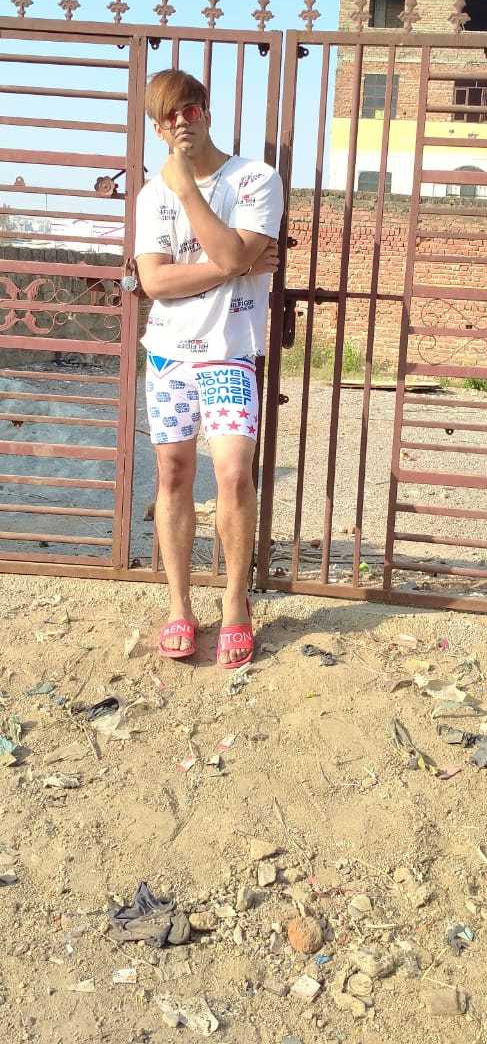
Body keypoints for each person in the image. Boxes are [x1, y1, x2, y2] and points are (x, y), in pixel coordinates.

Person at [134, 69, 283, 668]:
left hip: (229, 351)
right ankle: (179, 605)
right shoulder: (152, 195)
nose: (180, 123)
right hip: (168, 354)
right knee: (173, 473)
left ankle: (235, 602)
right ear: (158, 127)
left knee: (233, 472)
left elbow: (226, 249)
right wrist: (236, 264)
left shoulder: (255, 179)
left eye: (189, 110)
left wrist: (190, 194)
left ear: (206, 113)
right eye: (168, 116)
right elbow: (154, 281)